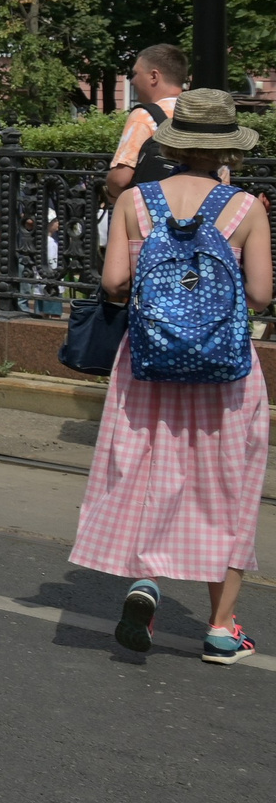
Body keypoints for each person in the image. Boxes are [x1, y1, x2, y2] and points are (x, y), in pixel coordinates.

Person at [80, 89, 270, 666]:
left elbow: (114, 283)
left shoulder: (136, 201)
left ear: (174, 143)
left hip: (149, 362)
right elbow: (260, 295)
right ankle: (220, 628)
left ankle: (147, 582)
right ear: (226, 149)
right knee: (227, 484)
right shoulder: (246, 208)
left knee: (147, 469)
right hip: (225, 369)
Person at [106, 43, 191, 202]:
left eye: (136, 74)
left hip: (157, 216)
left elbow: (120, 179)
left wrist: (110, 194)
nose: (132, 81)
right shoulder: (202, 113)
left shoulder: (146, 116)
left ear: (154, 76)